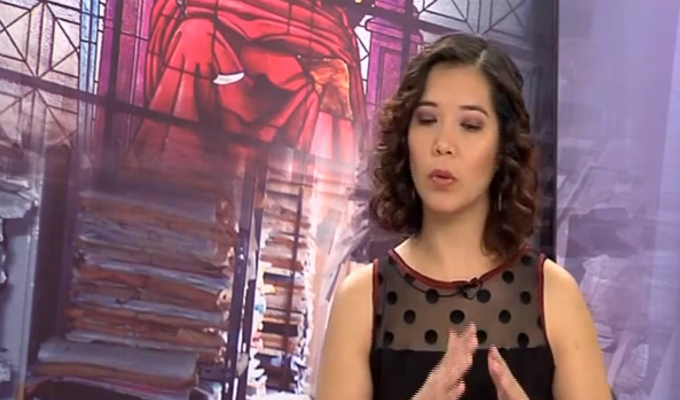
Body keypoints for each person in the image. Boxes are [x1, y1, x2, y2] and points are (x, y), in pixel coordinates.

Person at [316, 34, 612, 400]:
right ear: (405, 139)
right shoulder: (360, 301)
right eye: (427, 119)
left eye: (470, 125)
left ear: (503, 148)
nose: (443, 143)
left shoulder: (556, 296)